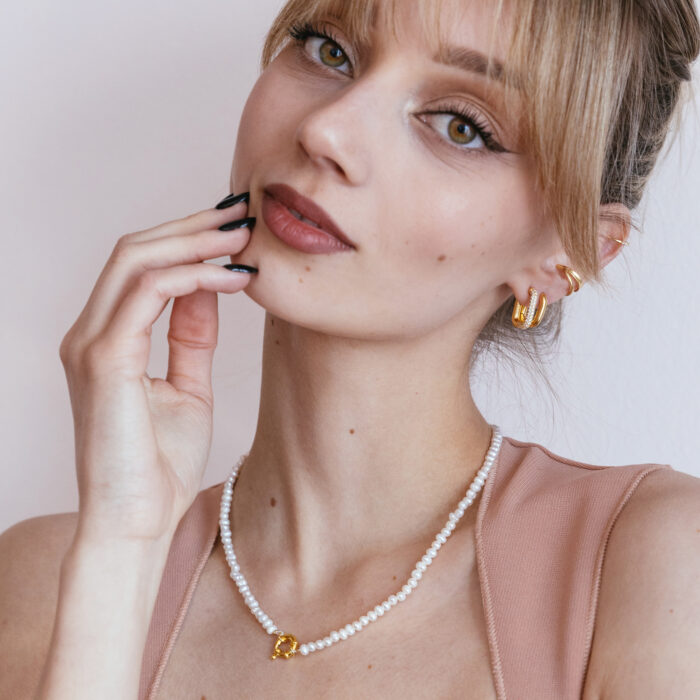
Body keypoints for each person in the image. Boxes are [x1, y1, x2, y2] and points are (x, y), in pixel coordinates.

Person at [1, 0, 699, 697]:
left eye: (461, 126)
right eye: (329, 50)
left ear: (565, 254)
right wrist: (123, 550)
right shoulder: (44, 578)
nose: (325, 130)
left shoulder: (655, 562)